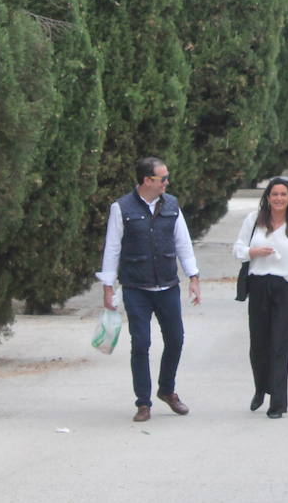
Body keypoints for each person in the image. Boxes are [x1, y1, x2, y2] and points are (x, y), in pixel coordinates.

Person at [98, 156, 201, 423]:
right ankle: (143, 402)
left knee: (176, 339)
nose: (167, 182)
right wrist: (108, 286)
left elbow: (183, 242)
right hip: (136, 286)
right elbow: (112, 247)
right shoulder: (121, 208)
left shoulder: (172, 205)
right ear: (147, 180)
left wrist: (193, 276)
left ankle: (167, 389)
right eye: (162, 178)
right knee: (141, 343)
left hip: (167, 285)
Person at [235, 177, 288, 417]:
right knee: (258, 345)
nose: (279, 199)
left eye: (284, 194)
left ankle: (278, 403)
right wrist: (254, 251)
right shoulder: (254, 221)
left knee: (280, 344)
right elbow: (238, 249)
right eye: (275, 194)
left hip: (285, 288)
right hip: (259, 285)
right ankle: (261, 388)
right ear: (268, 197)